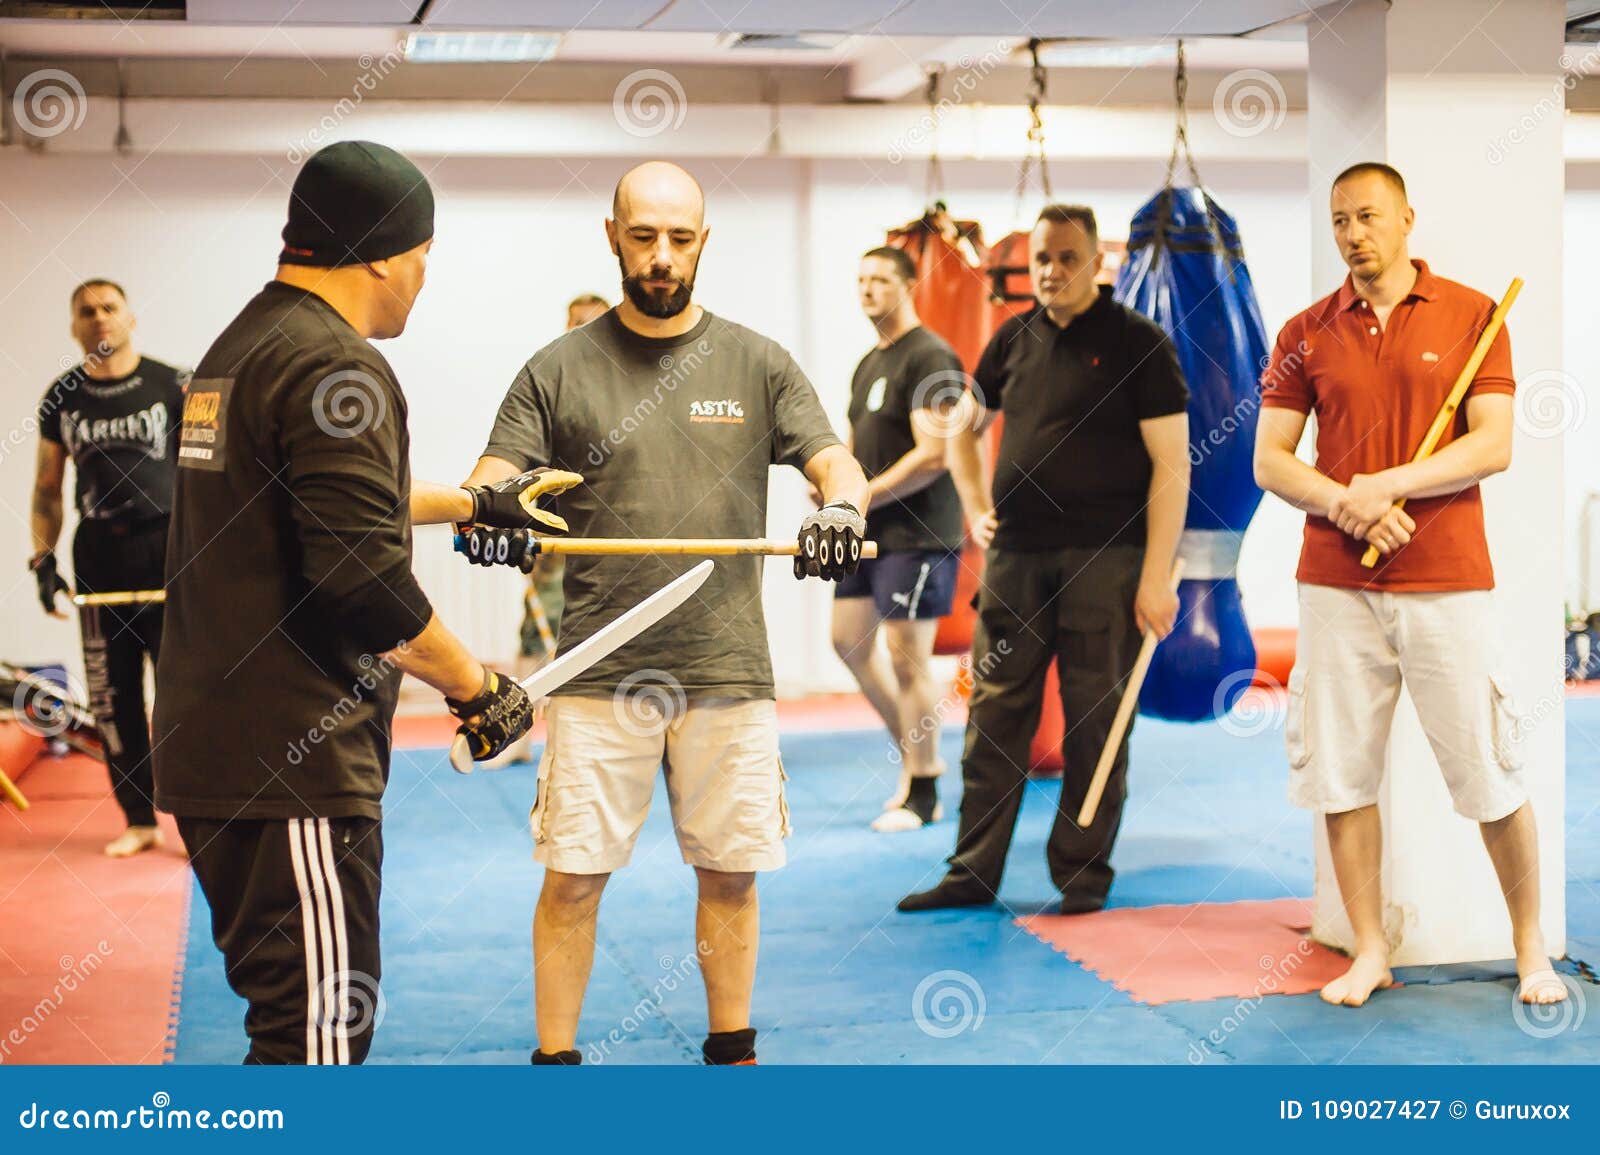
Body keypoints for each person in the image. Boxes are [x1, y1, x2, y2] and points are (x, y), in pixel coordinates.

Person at [457, 161, 869, 1067]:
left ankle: (732, 1054)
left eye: (680, 238)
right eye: (643, 235)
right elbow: (493, 472)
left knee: (731, 872)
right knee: (571, 880)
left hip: (726, 666)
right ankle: (556, 1066)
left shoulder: (757, 361)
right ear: (612, 235)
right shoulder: (558, 368)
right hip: (598, 671)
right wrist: (486, 508)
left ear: (703, 242)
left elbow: (835, 462)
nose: (661, 255)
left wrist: (840, 511)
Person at [152, 141, 545, 1064]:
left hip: (219, 752)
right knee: (319, 1032)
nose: (421, 280)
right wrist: (477, 686)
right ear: (379, 251)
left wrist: (473, 500)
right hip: (290, 760)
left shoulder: (241, 347)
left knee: (288, 1020)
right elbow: (363, 580)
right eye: (422, 256)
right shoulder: (341, 368)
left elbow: (304, 499)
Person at [1252, 162, 1564, 1008]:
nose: (1355, 233)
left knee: (1491, 773)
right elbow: (1270, 459)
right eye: (1341, 220)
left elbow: (1490, 445)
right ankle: (1370, 949)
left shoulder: (1473, 315)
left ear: (1407, 220)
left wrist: (1388, 482)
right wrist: (1351, 505)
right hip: (1335, 586)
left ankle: (1531, 948)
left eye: (1370, 216)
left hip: (1445, 579)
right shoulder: (1305, 331)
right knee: (1341, 777)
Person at [899, 203, 1190, 915]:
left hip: (1109, 560)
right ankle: (972, 871)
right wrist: (973, 504)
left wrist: (1156, 577)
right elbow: (964, 427)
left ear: (1096, 263)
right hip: (1017, 560)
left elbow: (1173, 465)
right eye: (1041, 260)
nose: (1052, 271)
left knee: (1096, 718)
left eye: (1066, 258)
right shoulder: (1011, 339)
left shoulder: (1139, 343)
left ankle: (1082, 875)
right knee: (995, 714)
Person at [30, 280, 185, 858]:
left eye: (108, 308)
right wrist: (42, 562)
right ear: (74, 326)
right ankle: (139, 819)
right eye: (86, 312)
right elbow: (47, 489)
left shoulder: (174, 383)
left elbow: (209, 473)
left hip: (168, 554)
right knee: (112, 700)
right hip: (98, 560)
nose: (98, 319)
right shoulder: (62, 397)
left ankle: (197, 817)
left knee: (183, 694)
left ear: (130, 317)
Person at [831, 246, 965, 832]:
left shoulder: (931, 356)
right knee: (848, 642)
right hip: (869, 529)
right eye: (861, 278)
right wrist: (836, 492)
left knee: (909, 660)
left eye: (881, 279)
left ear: (909, 285)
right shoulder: (868, 364)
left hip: (919, 531)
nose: (868, 289)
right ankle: (913, 757)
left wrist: (865, 494)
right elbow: (854, 449)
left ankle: (925, 788)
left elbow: (935, 456)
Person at [487, 292, 614, 768]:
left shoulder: (623, 391)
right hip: (552, 537)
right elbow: (527, 463)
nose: (581, 331)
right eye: (574, 322)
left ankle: (591, 741)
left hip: (604, 539)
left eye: (592, 323)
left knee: (597, 638)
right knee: (534, 636)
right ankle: (517, 737)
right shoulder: (550, 386)